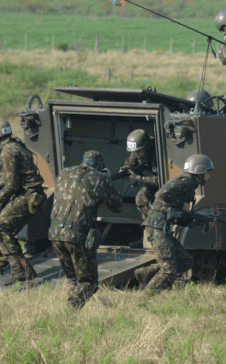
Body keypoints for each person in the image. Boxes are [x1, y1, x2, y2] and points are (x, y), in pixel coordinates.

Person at [49, 150, 123, 309]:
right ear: (100, 166)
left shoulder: (64, 173)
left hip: (55, 234)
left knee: (74, 279)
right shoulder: (101, 178)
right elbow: (117, 207)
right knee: (89, 282)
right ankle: (70, 310)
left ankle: (72, 318)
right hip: (77, 236)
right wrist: (108, 180)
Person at [139, 153, 214, 296]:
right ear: (199, 171)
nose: (208, 177)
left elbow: (177, 213)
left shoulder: (191, 184)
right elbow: (161, 194)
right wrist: (183, 205)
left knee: (186, 262)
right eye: (207, 173)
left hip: (162, 227)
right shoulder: (186, 180)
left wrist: (194, 220)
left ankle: (146, 273)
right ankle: (145, 298)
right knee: (168, 271)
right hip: (157, 227)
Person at [0, 117, 45, 285]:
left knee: (1, 225)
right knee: (1, 227)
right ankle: (17, 268)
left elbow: (11, 185)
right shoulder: (15, 146)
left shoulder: (8, 151)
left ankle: (21, 269)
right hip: (31, 194)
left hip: (28, 195)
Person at [116, 129, 159, 221]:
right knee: (140, 197)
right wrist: (125, 171)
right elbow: (130, 165)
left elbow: (161, 181)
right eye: (134, 152)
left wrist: (139, 178)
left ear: (146, 147)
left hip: (164, 183)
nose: (135, 154)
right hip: (153, 181)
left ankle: (156, 224)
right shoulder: (137, 150)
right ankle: (148, 223)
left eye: (138, 151)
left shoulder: (159, 153)